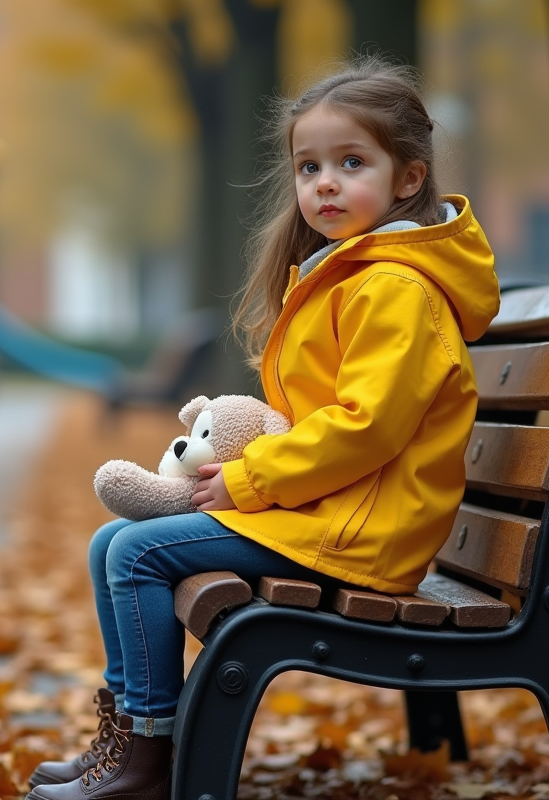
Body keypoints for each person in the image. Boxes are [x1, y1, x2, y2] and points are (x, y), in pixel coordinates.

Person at [26, 57, 500, 800]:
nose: (326, 183)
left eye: (352, 162)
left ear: (408, 178)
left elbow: (365, 428)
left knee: (137, 556)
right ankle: (122, 740)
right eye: (309, 167)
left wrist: (248, 479)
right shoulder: (350, 274)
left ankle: (150, 758)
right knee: (108, 543)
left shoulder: (395, 289)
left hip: (363, 529)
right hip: (339, 509)